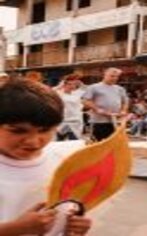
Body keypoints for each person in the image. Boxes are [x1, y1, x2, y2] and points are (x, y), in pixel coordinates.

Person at [0, 79, 91, 235]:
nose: (33, 141)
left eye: (44, 130)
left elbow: (67, 209)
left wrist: (75, 226)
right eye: (18, 131)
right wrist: (13, 229)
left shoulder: (65, 160)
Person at [82, 68, 129, 141]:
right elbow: (86, 100)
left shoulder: (120, 89)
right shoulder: (94, 87)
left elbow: (125, 101)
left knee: (114, 143)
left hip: (116, 121)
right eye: (112, 76)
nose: (114, 78)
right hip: (99, 121)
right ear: (104, 75)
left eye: (116, 76)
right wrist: (97, 109)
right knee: (98, 142)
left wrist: (123, 110)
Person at [56, 75, 84, 140]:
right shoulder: (59, 93)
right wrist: (59, 86)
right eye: (69, 84)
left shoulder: (77, 93)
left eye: (74, 84)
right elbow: (49, 91)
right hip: (62, 122)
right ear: (64, 84)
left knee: (74, 143)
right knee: (58, 143)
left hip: (75, 122)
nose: (72, 86)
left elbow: (87, 89)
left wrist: (81, 83)